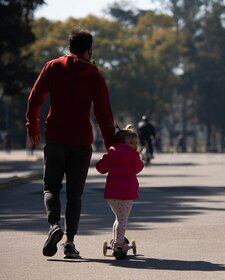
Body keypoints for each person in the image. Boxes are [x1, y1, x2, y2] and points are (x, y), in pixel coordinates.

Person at [26, 28, 115, 258]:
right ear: (89, 50)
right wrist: (111, 147)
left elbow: (34, 97)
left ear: (69, 47)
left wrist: (32, 127)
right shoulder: (95, 76)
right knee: (75, 195)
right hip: (81, 142)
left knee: (50, 187)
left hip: (55, 138)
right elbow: (104, 115)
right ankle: (69, 243)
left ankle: (54, 225)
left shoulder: (53, 67)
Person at [96, 126, 144, 260]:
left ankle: (117, 240)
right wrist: (137, 157)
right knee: (123, 220)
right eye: (131, 143)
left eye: (136, 143)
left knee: (118, 218)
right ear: (124, 143)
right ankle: (118, 245)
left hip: (112, 194)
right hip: (126, 194)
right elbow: (139, 167)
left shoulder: (111, 153)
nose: (134, 146)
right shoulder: (133, 156)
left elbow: (100, 168)